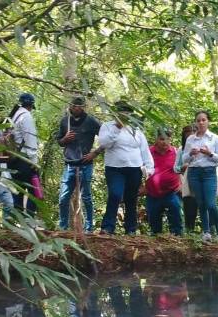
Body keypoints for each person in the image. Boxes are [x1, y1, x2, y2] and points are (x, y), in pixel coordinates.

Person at [97, 100, 154, 235]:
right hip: (114, 168)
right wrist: (117, 127)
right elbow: (104, 143)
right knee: (115, 194)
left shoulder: (136, 129)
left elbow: (144, 150)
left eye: (127, 113)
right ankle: (108, 227)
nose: (125, 115)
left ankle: (131, 229)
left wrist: (149, 167)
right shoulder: (107, 126)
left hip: (134, 169)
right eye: (122, 112)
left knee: (131, 198)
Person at [56, 96, 102, 232]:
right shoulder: (65, 122)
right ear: (70, 106)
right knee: (63, 198)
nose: (77, 108)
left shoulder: (91, 121)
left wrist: (95, 152)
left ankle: (89, 229)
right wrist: (65, 139)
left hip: (86, 164)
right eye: (75, 106)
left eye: (80, 106)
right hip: (69, 164)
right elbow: (59, 141)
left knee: (86, 197)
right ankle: (63, 227)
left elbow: (105, 136)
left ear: (84, 107)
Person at [182, 111, 218, 243]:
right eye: (198, 120)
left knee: (211, 204)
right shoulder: (190, 139)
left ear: (208, 122)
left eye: (203, 120)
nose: (201, 123)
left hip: (209, 172)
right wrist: (190, 153)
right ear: (195, 122)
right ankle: (206, 232)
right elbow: (184, 158)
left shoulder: (214, 138)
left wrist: (209, 153)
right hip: (194, 172)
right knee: (200, 203)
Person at [8, 93, 42, 219]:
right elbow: (30, 140)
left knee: (18, 190)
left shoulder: (14, 115)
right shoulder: (26, 116)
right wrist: (34, 162)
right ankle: (29, 220)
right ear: (31, 105)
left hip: (13, 159)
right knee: (35, 190)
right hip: (25, 159)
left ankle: (17, 221)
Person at [145, 128, 183, 236]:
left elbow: (183, 168)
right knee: (154, 223)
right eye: (162, 139)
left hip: (172, 192)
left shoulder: (176, 152)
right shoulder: (148, 152)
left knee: (176, 214)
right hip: (153, 194)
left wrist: (182, 184)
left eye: (167, 139)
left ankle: (177, 239)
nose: (165, 142)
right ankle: (156, 243)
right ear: (156, 139)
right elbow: (139, 168)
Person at [175, 125, 199, 233]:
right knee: (189, 209)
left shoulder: (203, 145)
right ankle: (190, 232)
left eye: (193, 132)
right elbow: (175, 167)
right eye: (187, 134)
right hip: (187, 182)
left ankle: (210, 232)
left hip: (202, 180)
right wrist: (182, 167)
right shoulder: (182, 150)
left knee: (207, 206)